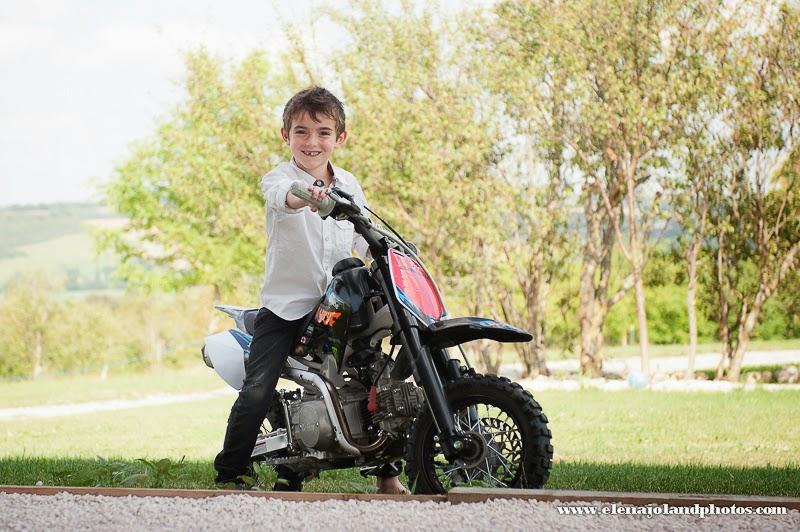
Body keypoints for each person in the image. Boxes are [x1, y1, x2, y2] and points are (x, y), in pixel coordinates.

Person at [213, 86, 408, 494]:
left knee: (378, 381)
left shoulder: (350, 183)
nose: (312, 142)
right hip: (288, 307)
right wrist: (309, 197)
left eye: (322, 132)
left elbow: (360, 237)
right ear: (285, 136)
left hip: (342, 304)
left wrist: (394, 255)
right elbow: (281, 199)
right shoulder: (279, 178)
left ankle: (388, 476)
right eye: (301, 132)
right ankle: (231, 473)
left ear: (341, 137)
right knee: (257, 389)